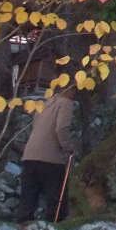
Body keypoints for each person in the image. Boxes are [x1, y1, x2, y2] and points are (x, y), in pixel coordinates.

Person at [16, 86, 77, 222]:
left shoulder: (45, 104)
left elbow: (34, 125)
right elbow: (61, 128)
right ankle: (54, 225)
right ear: (69, 90)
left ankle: (23, 225)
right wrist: (68, 147)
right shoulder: (65, 103)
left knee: (28, 197)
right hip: (50, 157)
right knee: (56, 198)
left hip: (30, 154)